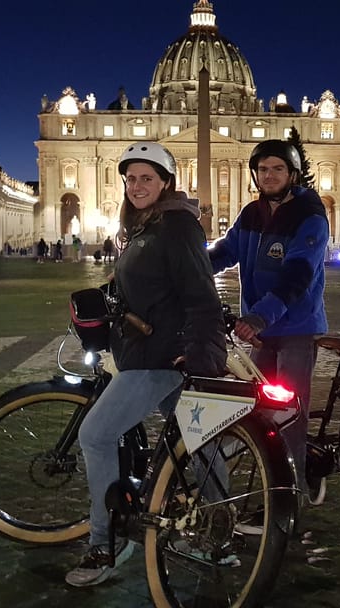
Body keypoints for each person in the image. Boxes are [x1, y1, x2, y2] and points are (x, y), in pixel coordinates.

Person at [66, 142, 226, 587]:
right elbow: (151, 284)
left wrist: (201, 351)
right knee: (200, 440)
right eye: (131, 178)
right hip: (152, 349)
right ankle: (218, 530)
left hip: (160, 355)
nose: (137, 186)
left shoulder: (175, 226)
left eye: (147, 178)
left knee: (95, 435)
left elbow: (201, 294)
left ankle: (105, 544)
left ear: (166, 183)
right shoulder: (144, 225)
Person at [208, 139, 329, 504]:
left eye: (277, 169)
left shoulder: (310, 215)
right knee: (258, 404)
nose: (270, 175)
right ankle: (272, 470)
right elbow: (225, 253)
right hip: (262, 330)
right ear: (255, 175)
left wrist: (261, 315)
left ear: (292, 174)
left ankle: (290, 491)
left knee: (289, 409)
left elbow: (298, 274)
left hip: (294, 327)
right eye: (263, 170)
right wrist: (186, 274)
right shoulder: (251, 214)